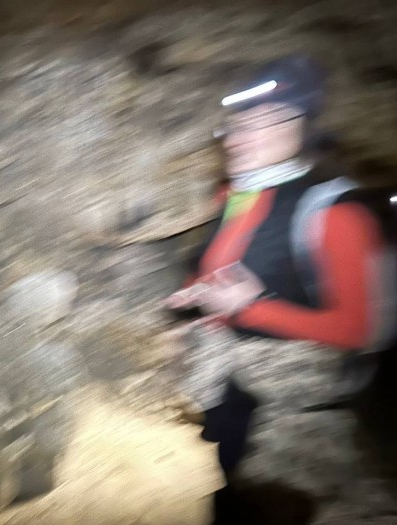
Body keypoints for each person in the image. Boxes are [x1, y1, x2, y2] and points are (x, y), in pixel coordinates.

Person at [163, 54, 397, 522]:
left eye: (261, 122)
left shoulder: (338, 213)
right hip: (230, 382)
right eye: (234, 126)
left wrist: (249, 308)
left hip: (291, 400)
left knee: (270, 503)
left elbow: (363, 329)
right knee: (224, 479)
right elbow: (214, 265)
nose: (237, 138)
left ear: (301, 127)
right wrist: (196, 295)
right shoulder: (233, 196)